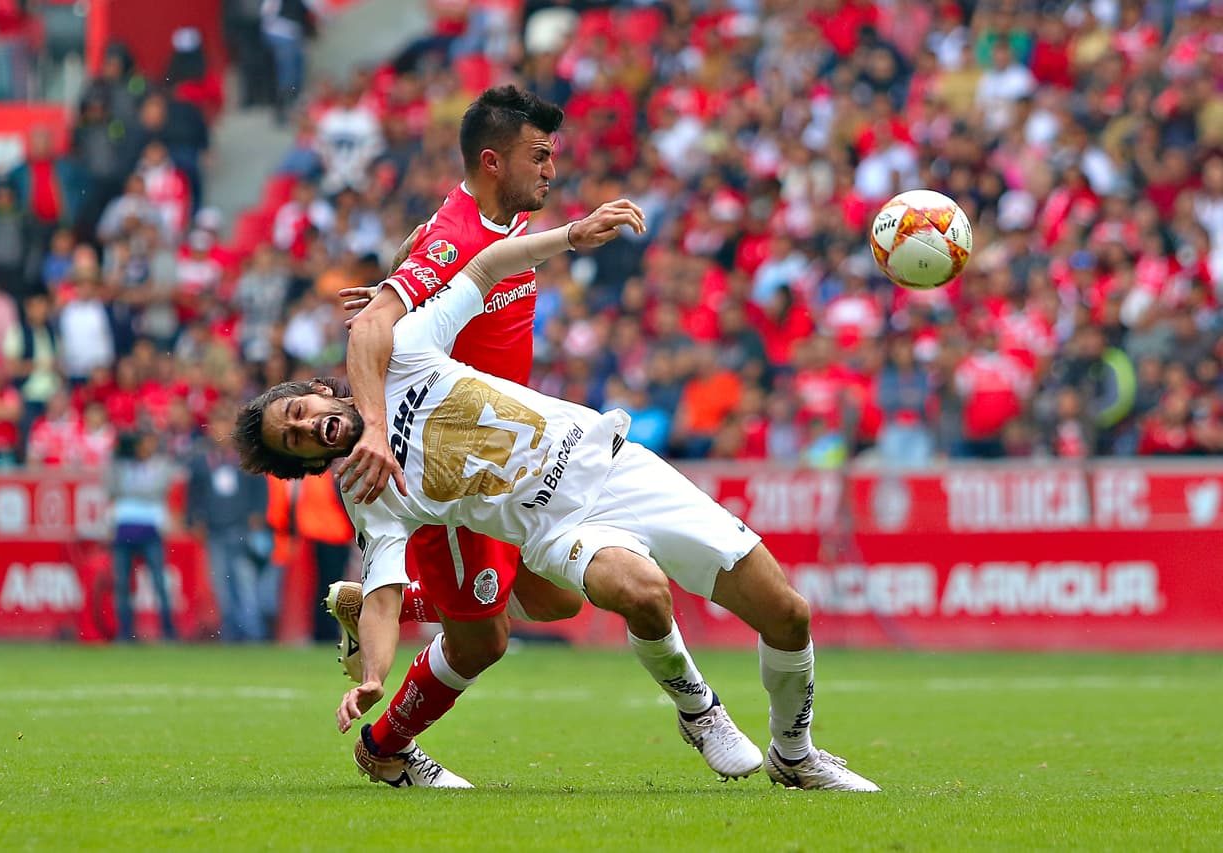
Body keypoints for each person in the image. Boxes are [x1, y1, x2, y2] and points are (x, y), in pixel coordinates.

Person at [234, 202, 880, 793]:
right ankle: (699, 709)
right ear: (312, 459)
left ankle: (794, 752)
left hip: (613, 462)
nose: (300, 425)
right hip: (556, 525)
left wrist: (573, 234)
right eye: (293, 440)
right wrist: (374, 674)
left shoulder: (400, 348)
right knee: (641, 592)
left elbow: (484, 264)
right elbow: (377, 590)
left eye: (295, 410)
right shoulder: (367, 489)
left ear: (317, 391)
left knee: (787, 612)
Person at [318, 86, 586, 782]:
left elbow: (417, 268)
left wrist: (391, 284)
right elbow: (381, 319)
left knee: (560, 596)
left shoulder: (483, 222)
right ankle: (384, 747)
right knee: (482, 642)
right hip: (458, 454)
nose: (551, 170)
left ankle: (392, 602)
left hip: (508, 447)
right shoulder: (457, 234)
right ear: (494, 161)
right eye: (540, 156)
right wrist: (376, 421)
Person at [186, 403, 273, 642]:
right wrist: (194, 519)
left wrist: (258, 513)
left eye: (224, 426)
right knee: (221, 583)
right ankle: (231, 631)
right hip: (214, 529)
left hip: (241, 527)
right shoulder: (202, 461)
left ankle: (253, 631)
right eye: (216, 426)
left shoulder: (245, 457)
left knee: (244, 580)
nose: (220, 431)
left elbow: (260, 487)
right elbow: (194, 494)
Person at [109, 429, 178, 642]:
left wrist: (132, 491)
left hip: (149, 530)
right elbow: (111, 487)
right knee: (122, 584)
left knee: (159, 582)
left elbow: (158, 489)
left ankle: (168, 631)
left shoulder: (161, 465)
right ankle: (125, 632)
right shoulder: (121, 464)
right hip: (124, 529)